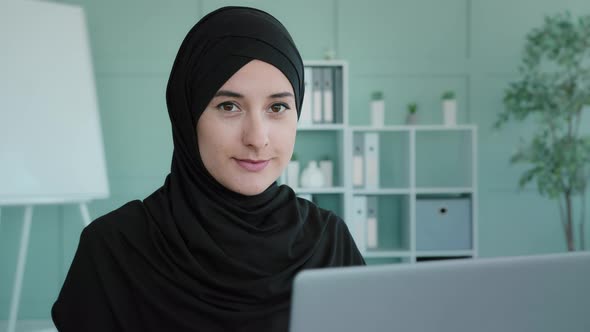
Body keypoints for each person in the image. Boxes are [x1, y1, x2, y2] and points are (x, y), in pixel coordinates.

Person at [51, 6, 365, 332]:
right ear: (187, 115)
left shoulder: (329, 242)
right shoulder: (113, 250)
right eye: (229, 106)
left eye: (278, 107)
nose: (257, 138)